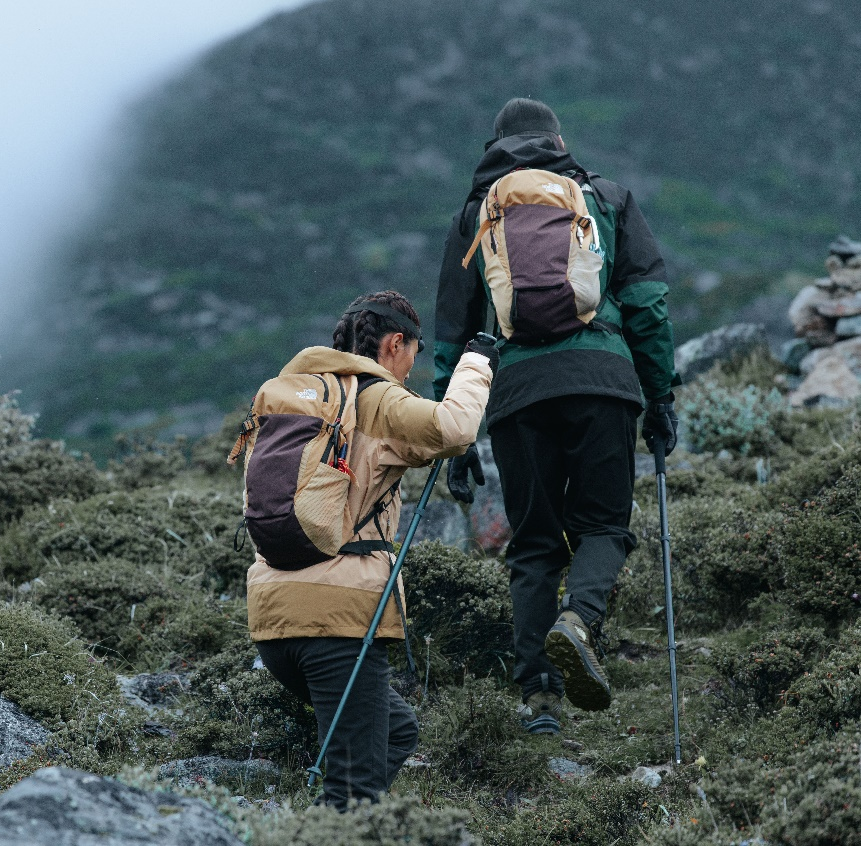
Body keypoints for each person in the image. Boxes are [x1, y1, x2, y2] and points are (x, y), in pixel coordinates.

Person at [430, 98, 681, 734]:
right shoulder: (607, 198)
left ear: (496, 146)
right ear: (559, 138)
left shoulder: (474, 217)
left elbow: (454, 337)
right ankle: (579, 621)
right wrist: (661, 400)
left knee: (536, 543)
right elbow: (647, 307)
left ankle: (539, 697)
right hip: (604, 381)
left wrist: (453, 440)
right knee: (602, 525)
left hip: (517, 393)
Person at [246, 290, 497, 809]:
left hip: (274, 622)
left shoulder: (295, 397)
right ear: (395, 343)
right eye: (415, 351)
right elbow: (453, 426)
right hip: (338, 623)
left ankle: (325, 824)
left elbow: (387, 456)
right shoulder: (374, 397)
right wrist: (476, 363)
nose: (412, 364)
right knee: (352, 787)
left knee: (395, 732)